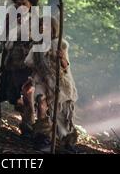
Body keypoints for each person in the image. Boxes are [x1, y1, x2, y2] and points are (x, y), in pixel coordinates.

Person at [24, 17, 79, 152]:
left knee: (60, 114)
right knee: (41, 103)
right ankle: (43, 139)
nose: (43, 28)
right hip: (41, 81)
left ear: (53, 28)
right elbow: (28, 62)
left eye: (46, 26)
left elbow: (66, 66)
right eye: (41, 25)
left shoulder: (60, 44)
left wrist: (61, 58)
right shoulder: (36, 46)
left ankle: (68, 142)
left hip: (58, 82)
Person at [0, 0, 39, 137]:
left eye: (23, 3)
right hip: (11, 63)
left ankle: (28, 126)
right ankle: (27, 118)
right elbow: (3, 37)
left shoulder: (36, 20)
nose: (20, 6)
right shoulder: (10, 17)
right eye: (18, 3)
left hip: (28, 64)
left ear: (30, 5)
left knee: (27, 94)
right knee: (13, 96)